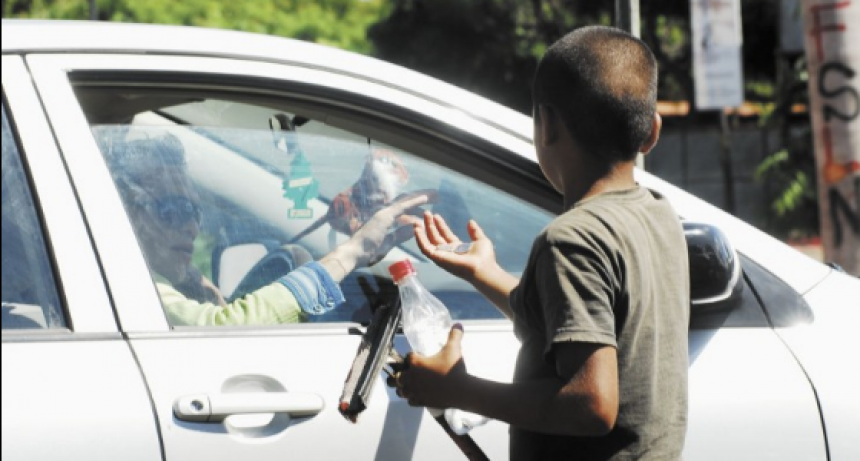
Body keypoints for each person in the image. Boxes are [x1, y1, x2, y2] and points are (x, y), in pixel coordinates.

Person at [393, 25, 690, 460]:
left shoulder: (571, 240)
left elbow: (592, 405)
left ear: (546, 124)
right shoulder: (658, 215)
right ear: (652, 131)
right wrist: (485, 272)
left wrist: (457, 389)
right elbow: (579, 324)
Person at [100, 130, 427, 326]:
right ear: (129, 215)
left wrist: (195, 283)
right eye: (173, 210)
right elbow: (224, 330)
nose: (190, 228)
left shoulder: (153, 288)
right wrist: (352, 253)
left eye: (195, 212)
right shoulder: (125, 286)